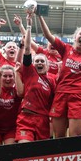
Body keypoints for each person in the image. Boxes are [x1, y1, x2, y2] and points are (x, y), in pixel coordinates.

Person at [37, 15, 81, 138]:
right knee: (59, 136)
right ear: (75, 37)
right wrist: (39, 16)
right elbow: (48, 35)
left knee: (75, 137)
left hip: (78, 97)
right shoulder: (65, 48)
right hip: (61, 95)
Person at [15, 13, 56, 143]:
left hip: (43, 121)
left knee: (39, 157)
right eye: (36, 61)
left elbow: (54, 101)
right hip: (26, 118)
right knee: (24, 149)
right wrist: (28, 26)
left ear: (47, 64)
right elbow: (27, 48)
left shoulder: (52, 80)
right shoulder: (30, 72)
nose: (39, 63)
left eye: (42, 61)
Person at [0, 64, 22, 144]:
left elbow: (21, 94)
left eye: (10, 76)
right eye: (5, 76)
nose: (8, 79)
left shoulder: (16, 90)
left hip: (11, 128)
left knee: (9, 150)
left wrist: (16, 72)